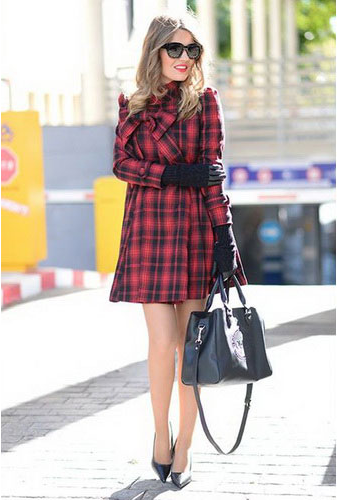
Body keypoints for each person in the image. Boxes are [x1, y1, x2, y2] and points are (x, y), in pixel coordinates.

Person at [109, 12, 248, 489]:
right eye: (175, 48)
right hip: (149, 230)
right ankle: (160, 433)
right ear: (155, 51)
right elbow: (121, 165)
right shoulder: (133, 103)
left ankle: (184, 445)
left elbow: (213, 173)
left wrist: (224, 236)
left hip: (194, 231)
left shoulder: (205, 102)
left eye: (193, 50)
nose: (185, 57)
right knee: (161, 342)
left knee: (192, 347)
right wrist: (172, 174)